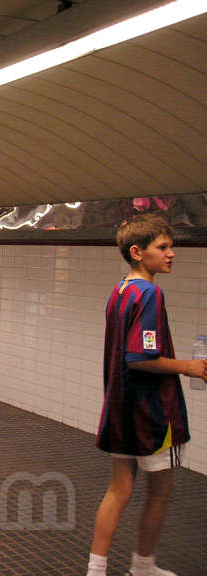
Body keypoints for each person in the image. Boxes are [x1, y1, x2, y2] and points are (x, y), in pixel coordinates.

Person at [85, 214, 207, 576]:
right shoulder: (150, 293)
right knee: (159, 491)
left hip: (121, 409)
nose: (171, 254)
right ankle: (142, 566)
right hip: (153, 414)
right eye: (163, 247)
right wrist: (188, 366)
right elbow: (141, 358)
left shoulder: (120, 291)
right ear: (137, 252)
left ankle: (96, 569)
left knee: (118, 489)